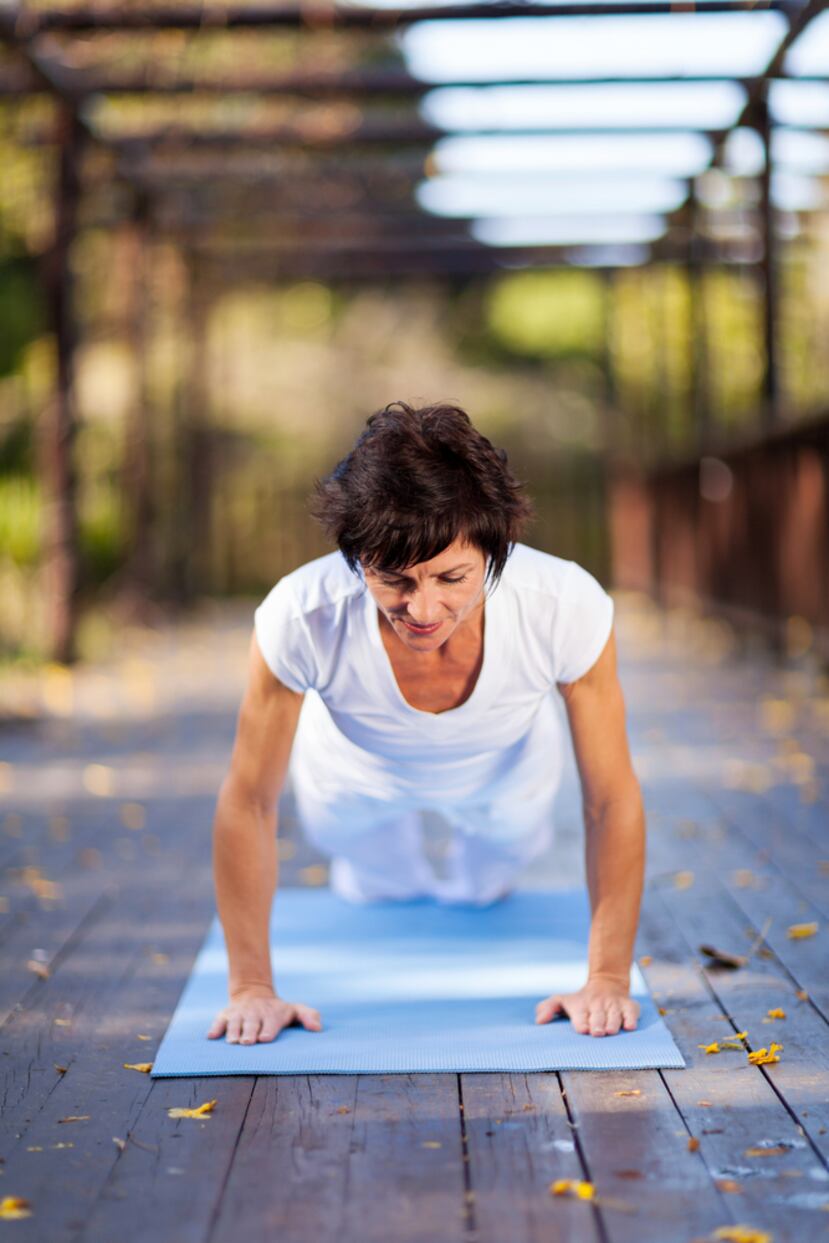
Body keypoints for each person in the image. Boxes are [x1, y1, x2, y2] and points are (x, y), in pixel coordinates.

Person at [207, 401, 645, 1049]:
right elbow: (248, 801)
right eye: (394, 578)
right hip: (353, 770)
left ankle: (469, 871)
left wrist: (607, 978)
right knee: (380, 883)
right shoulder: (300, 615)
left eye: (451, 577)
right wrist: (250, 988)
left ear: (496, 551)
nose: (423, 608)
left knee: (482, 885)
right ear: (355, 559)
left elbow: (610, 799)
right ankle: (381, 870)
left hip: (506, 768)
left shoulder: (564, 603)